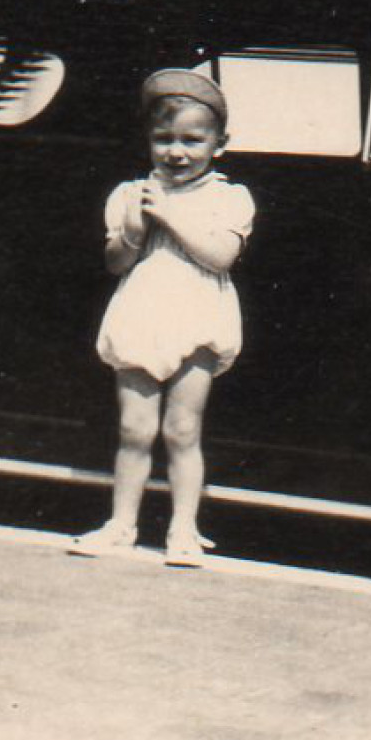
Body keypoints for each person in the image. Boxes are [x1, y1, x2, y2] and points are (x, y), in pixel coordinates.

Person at [72, 69, 255, 566]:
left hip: (196, 317)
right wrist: (133, 228)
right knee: (134, 429)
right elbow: (115, 263)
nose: (177, 152)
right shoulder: (131, 194)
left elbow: (219, 257)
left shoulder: (229, 197)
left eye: (193, 140)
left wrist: (171, 215)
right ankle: (122, 525)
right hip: (143, 314)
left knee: (181, 429)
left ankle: (183, 530)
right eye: (164, 139)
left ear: (219, 144)